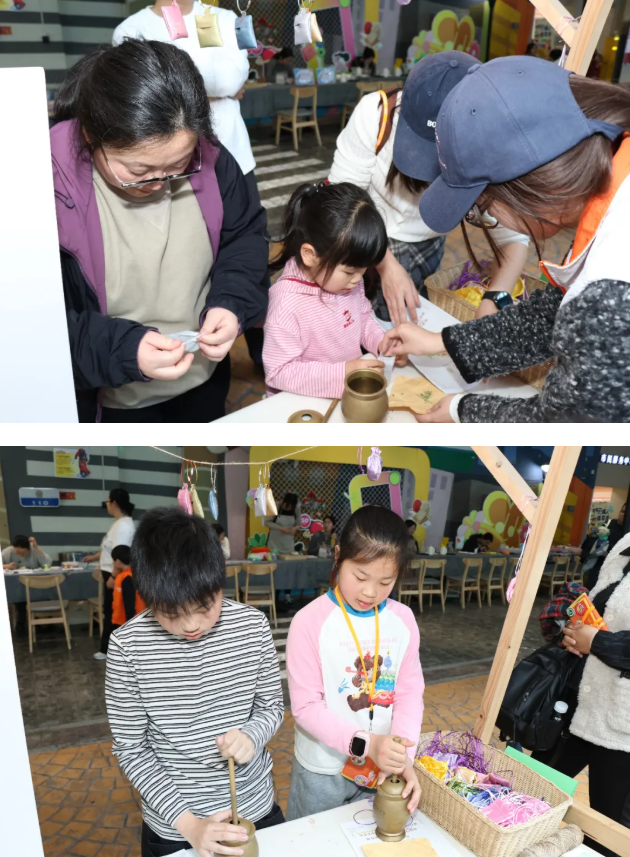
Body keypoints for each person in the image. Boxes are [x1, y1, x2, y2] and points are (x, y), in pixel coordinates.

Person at [382, 56, 630, 422]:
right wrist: (443, 342)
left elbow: (565, 421)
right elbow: (554, 315)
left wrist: (461, 410)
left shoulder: (613, 284)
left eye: (482, 207)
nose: (488, 220)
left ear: (535, 187)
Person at [52, 39, 268, 422]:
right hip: (108, 400)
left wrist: (231, 303)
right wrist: (122, 350)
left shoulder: (214, 161)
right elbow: (37, 324)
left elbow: (244, 238)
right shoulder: (46, 188)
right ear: (89, 135)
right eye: (139, 171)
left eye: (179, 164)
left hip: (204, 379)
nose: (159, 183)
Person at [105, 507, 284, 857]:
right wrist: (190, 826)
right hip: (175, 825)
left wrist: (251, 735)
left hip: (254, 808)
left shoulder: (252, 627)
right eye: (171, 613)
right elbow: (131, 748)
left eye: (205, 606)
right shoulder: (128, 647)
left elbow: (271, 707)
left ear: (219, 581)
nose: (191, 625)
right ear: (148, 595)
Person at [113, 1, 269, 369]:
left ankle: (262, 351)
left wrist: (180, 82)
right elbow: (128, 102)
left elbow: (232, 79)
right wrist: (211, 88)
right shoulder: (129, 29)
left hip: (232, 155)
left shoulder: (224, 18)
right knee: (180, 257)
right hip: (164, 167)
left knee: (243, 246)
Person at [329, 53, 529, 324]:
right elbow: (343, 201)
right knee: (367, 324)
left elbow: (513, 237)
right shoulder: (376, 115)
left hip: (431, 241)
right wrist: (386, 265)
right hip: (370, 236)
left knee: (415, 320)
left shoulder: (490, 141)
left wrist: (494, 299)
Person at [286, 505, 423, 820]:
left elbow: (408, 694)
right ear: (338, 556)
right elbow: (306, 707)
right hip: (323, 768)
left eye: (386, 582)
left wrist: (403, 756)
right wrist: (367, 744)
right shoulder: (309, 621)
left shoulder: (402, 621)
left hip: (381, 766)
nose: (370, 592)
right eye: (360, 576)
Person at [537, 534, 630, 856]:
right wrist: (575, 632)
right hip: (578, 706)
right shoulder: (624, 545)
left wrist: (598, 643)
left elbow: (603, 637)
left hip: (622, 728)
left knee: (608, 831)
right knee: (532, 793)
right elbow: (598, 608)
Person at [263, 183, 389, 397]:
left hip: (344, 391)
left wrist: (380, 341)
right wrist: (343, 373)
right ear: (310, 255)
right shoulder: (286, 305)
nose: (358, 279)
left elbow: (362, 316)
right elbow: (279, 372)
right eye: (349, 272)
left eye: (363, 270)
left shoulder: (346, 280)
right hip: (301, 402)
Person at [84, 488, 136, 661]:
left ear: (114, 503)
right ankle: (109, 649)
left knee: (115, 612)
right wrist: (94, 557)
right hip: (112, 573)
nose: (106, 505)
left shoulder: (123, 526)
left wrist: (113, 577)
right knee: (111, 611)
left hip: (117, 575)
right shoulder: (118, 523)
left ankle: (109, 650)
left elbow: (120, 555)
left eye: (107, 501)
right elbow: (110, 548)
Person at [107, 545, 146, 630]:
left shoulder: (127, 578)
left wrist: (129, 625)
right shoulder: (129, 574)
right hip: (129, 620)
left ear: (118, 561)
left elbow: (129, 603)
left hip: (128, 622)